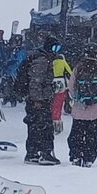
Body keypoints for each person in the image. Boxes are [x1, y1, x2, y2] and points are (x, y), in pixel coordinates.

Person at [64, 40, 97, 167]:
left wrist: (78, 98)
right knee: (93, 136)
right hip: (96, 109)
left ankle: (76, 156)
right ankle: (89, 158)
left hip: (80, 109)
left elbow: (71, 85)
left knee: (76, 134)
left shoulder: (79, 66)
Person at [20, 31, 59, 165]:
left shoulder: (42, 58)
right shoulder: (42, 60)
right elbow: (36, 81)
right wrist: (37, 99)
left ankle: (32, 153)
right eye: (55, 48)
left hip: (39, 98)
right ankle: (44, 153)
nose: (56, 51)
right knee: (43, 126)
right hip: (39, 100)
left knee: (35, 126)